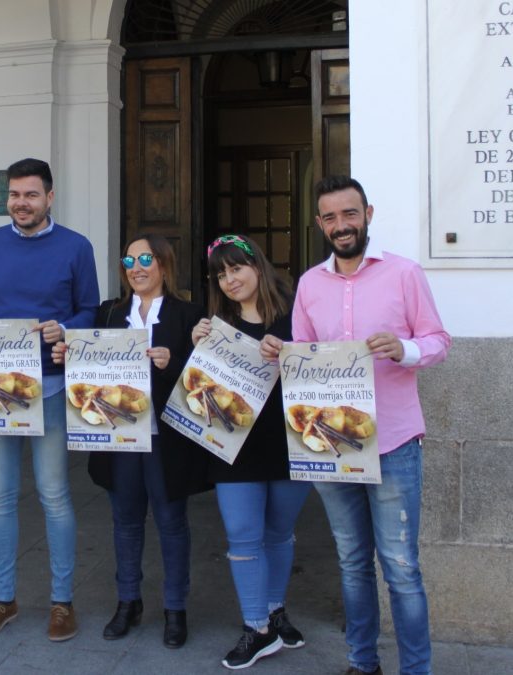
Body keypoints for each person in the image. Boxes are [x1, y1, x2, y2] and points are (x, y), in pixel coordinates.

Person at [261, 176, 451, 675]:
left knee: (402, 570)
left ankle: (416, 670)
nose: (340, 226)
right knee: (351, 563)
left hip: (392, 442)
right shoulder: (309, 284)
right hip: (329, 448)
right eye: (330, 217)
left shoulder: (405, 274)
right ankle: (361, 663)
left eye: (349, 214)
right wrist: (278, 353)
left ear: (367, 213)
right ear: (320, 223)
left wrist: (404, 349)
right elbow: (301, 357)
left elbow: (438, 340)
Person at [0, 158, 99, 642]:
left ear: (50, 197)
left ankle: (61, 602)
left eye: (31, 195)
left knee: (54, 495)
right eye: (14, 195)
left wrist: (67, 327)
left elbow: (89, 309)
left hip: (50, 386)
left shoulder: (76, 247)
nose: (21, 203)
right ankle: (3, 599)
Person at [53, 234, 205, 648]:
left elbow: (203, 380)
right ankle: (128, 601)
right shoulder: (108, 313)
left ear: (164, 265)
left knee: (172, 523)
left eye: (146, 258)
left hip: (167, 437)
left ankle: (175, 607)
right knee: (125, 522)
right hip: (118, 435)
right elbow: (89, 371)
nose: (136, 267)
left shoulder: (189, 315)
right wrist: (72, 358)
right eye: (129, 260)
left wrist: (173, 361)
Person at [191, 234, 311, 669]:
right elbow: (201, 392)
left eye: (236, 268)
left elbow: (322, 368)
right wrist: (195, 345)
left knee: (279, 532)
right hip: (233, 446)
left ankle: (276, 610)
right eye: (220, 274)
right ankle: (256, 626)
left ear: (257, 266)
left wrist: (291, 354)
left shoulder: (297, 317)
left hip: (287, 442)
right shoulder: (216, 327)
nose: (229, 279)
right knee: (243, 535)